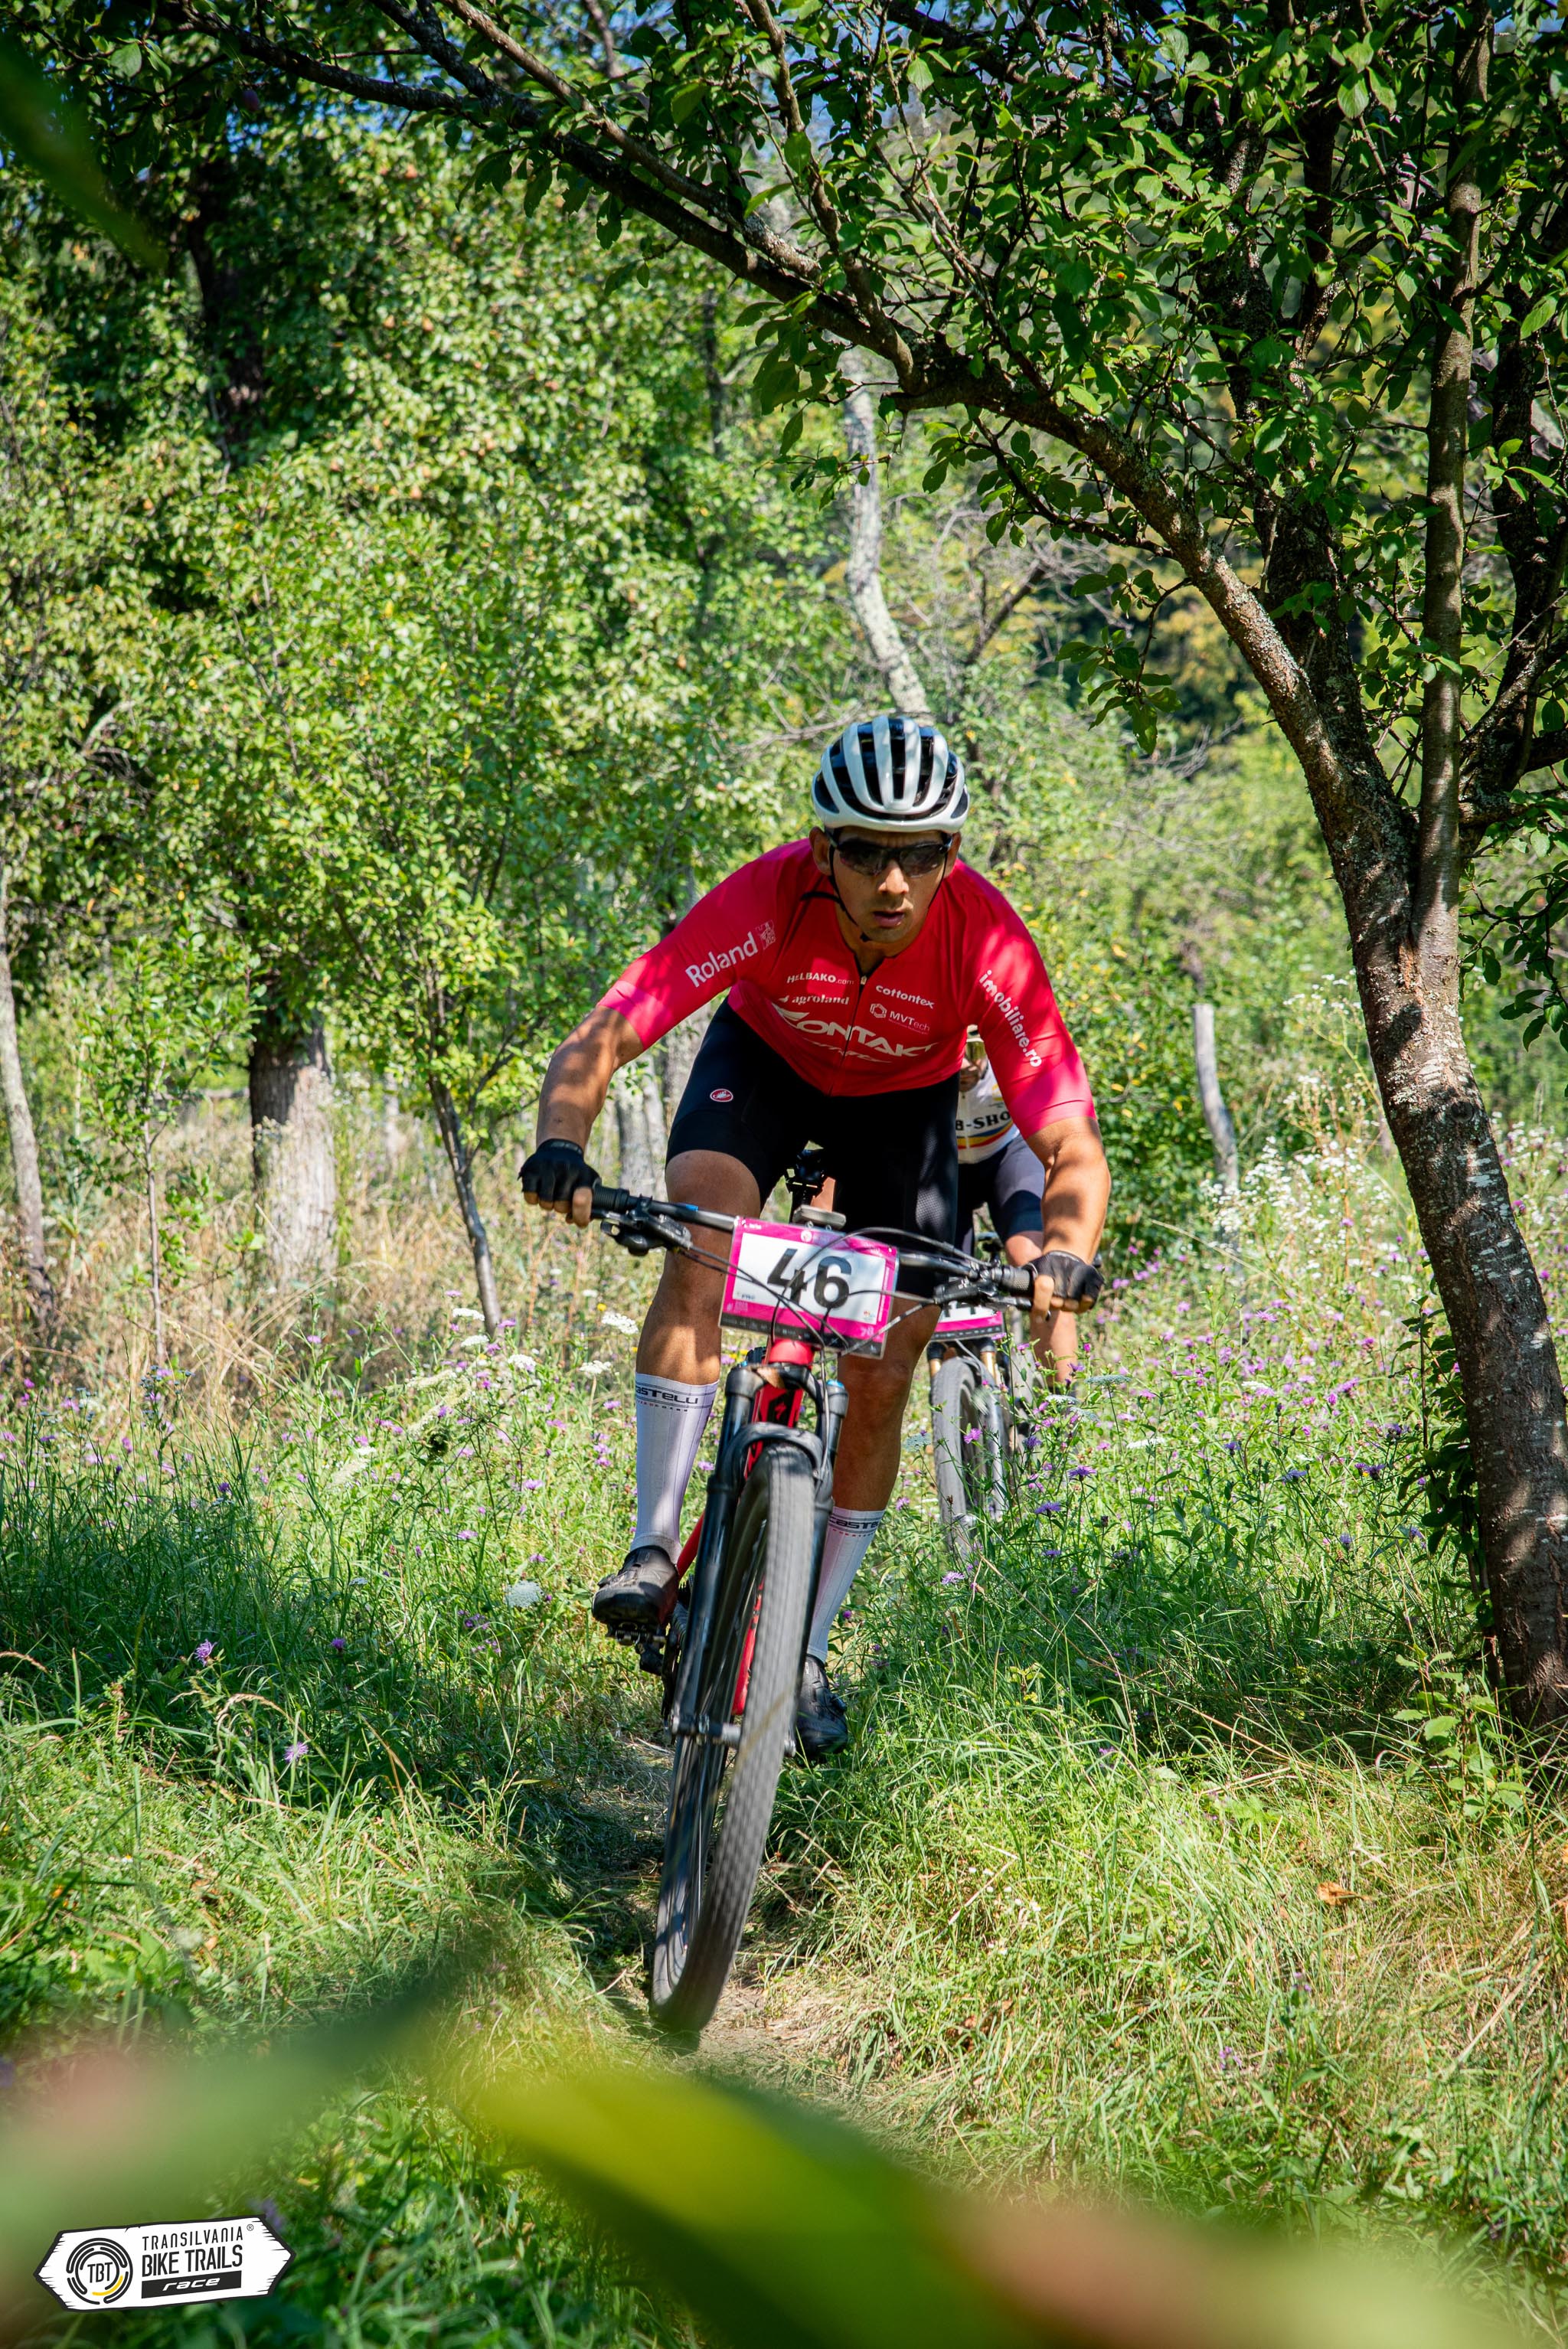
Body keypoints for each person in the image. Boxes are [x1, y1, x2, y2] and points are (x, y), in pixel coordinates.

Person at [518, 714, 1109, 1760]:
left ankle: (807, 1647)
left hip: (903, 1112)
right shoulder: (768, 896)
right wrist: (562, 1143)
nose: (894, 882)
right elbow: (610, 1028)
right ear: (822, 848)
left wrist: (1064, 1251)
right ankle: (653, 1546)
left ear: (951, 854)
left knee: (889, 1364)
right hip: (765, 1067)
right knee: (701, 1228)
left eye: (921, 854)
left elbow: (1069, 1140)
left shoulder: (984, 938)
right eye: (867, 852)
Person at [954, 1029, 1081, 1384]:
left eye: (974, 1050)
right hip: (947, 1164)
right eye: (956, 1050)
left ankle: (1062, 1403)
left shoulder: (1012, 1060)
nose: (965, 1065)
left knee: (1036, 1265)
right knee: (948, 1278)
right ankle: (957, 1393)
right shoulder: (928, 1067)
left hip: (1008, 1156)